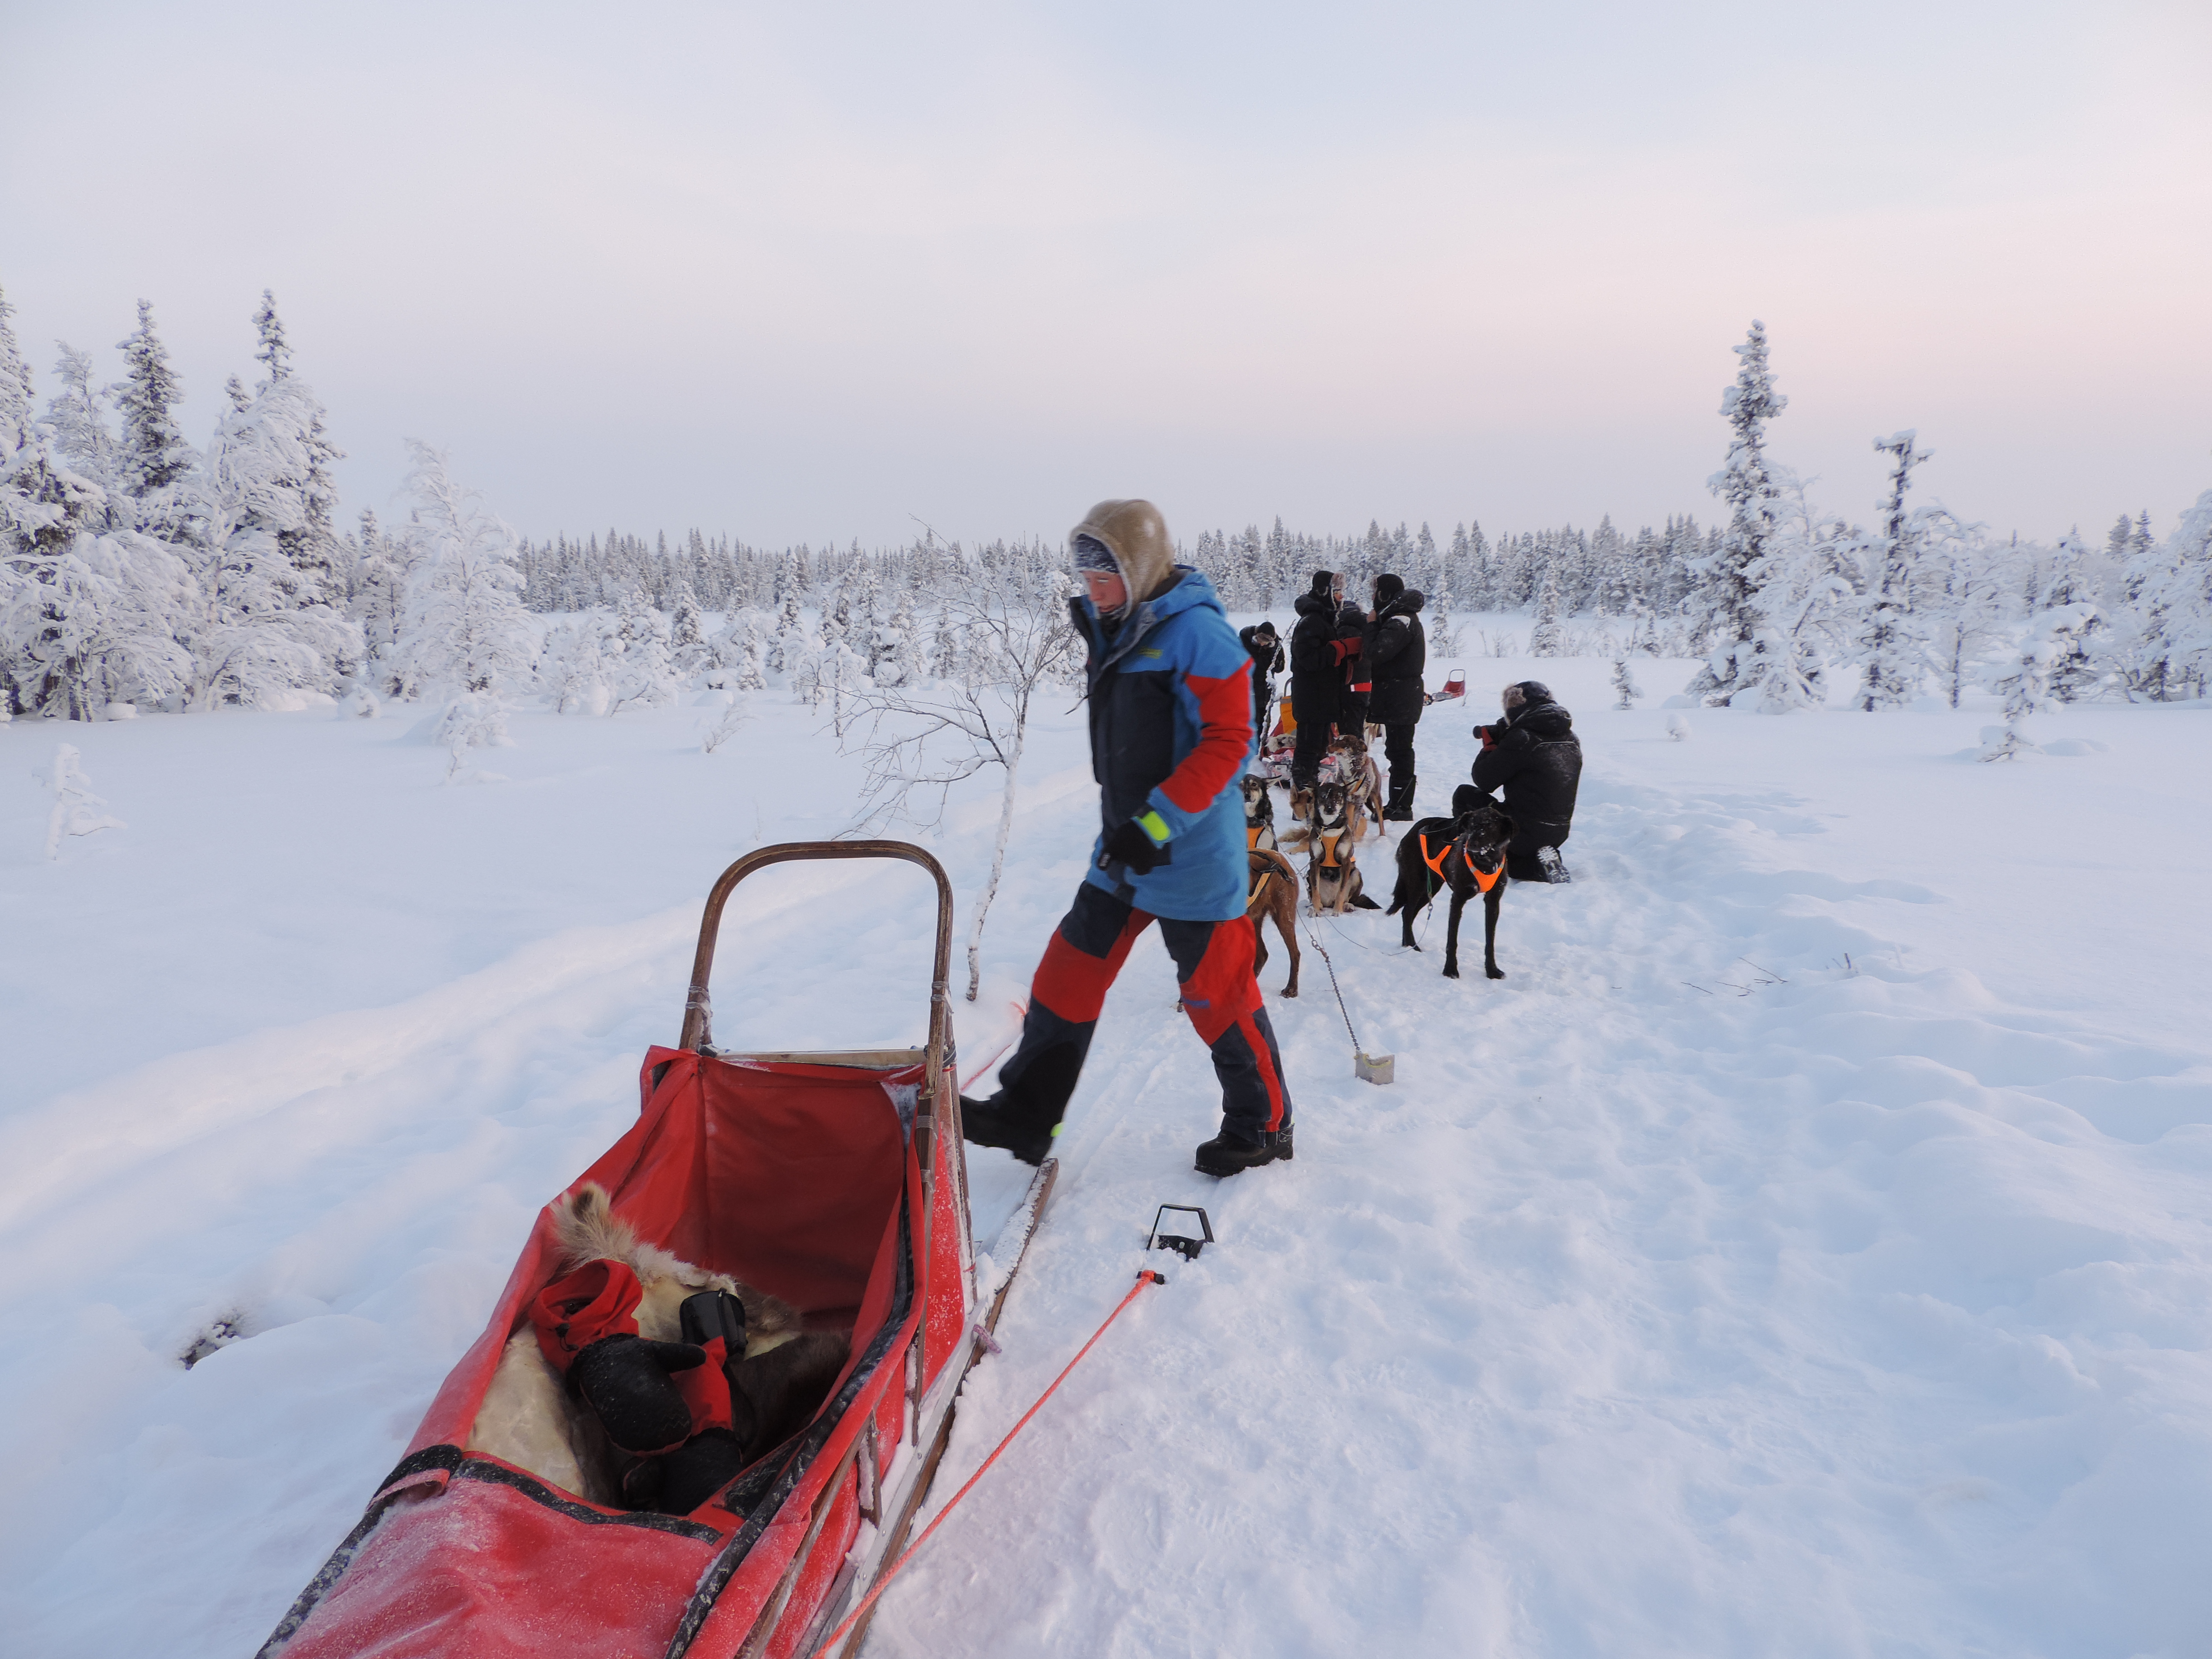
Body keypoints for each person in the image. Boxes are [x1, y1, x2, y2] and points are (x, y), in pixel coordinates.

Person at [960, 499, 1296, 1178]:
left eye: (1104, 572)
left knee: (1219, 999)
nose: (1092, 587)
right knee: (1066, 976)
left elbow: (1231, 743)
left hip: (1192, 859)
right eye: (1084, 573)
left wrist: (1157, 822)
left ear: (1139, 567)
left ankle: (1263, 1125)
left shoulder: (1198, 635)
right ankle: (1026, 1113)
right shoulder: (1121, 628)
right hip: (1124, 851)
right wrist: (1131, 829)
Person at [1470, 680, 1582, 881]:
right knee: (1524, 835)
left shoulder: (1523, 739)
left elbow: (1484, 781)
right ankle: (1545, 857)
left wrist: (1490, 747)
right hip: (1559, 831)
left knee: (1466, 797)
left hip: (1522, 829)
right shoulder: (1570, 738)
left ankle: (1503, 863)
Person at [1287, 571, 1360, 789]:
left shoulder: (1325, 619)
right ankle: (1303, 793)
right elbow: (1308, 659)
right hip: (1312, 698)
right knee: (1308, 750)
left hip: (1322, 697)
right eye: (1337, 592)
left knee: (1318, 748)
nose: (1341, 597)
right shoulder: (1312, 621)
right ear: (1325, 592)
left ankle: (1311, 790)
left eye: (1342, 592)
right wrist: (1341, 649)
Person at [1363, 573, 1426, 820]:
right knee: (1398, 749)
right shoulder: (1399, 618)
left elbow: (1377, 652)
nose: (1373, 597)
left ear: (1384, 594)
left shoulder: (1401, 621)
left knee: (1400, 751)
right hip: (1400, 694)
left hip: (1400, 695)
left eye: (1376, 592)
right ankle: (1399, 804)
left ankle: (1401, 806)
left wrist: (1371, 625)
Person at [1238, 618, 1284, 738]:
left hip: (1264, 689)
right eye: (1260, 641)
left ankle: (1261, 744)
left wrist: (1272, 651)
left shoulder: (1276, 646)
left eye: (1266, 642)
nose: (1262, 644)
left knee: (1263, 721)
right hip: (1246, 686)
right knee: (1247, 719)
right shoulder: (1244, 640)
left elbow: (1280, 668)